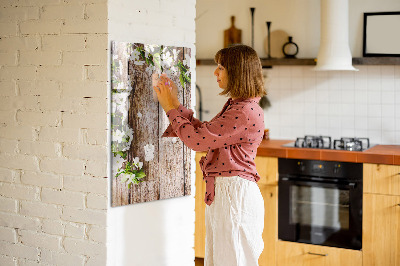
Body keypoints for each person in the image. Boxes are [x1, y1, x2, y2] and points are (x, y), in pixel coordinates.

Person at [153, 44, 267, 266]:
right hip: (229, 193)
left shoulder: (243, 111)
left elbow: (197, 141)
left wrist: (169, 108)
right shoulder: (239, 106)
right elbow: (205, 133)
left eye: (221, 67)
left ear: (237, 72)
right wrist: (175, 104)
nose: (215, 72)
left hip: (234, 195)